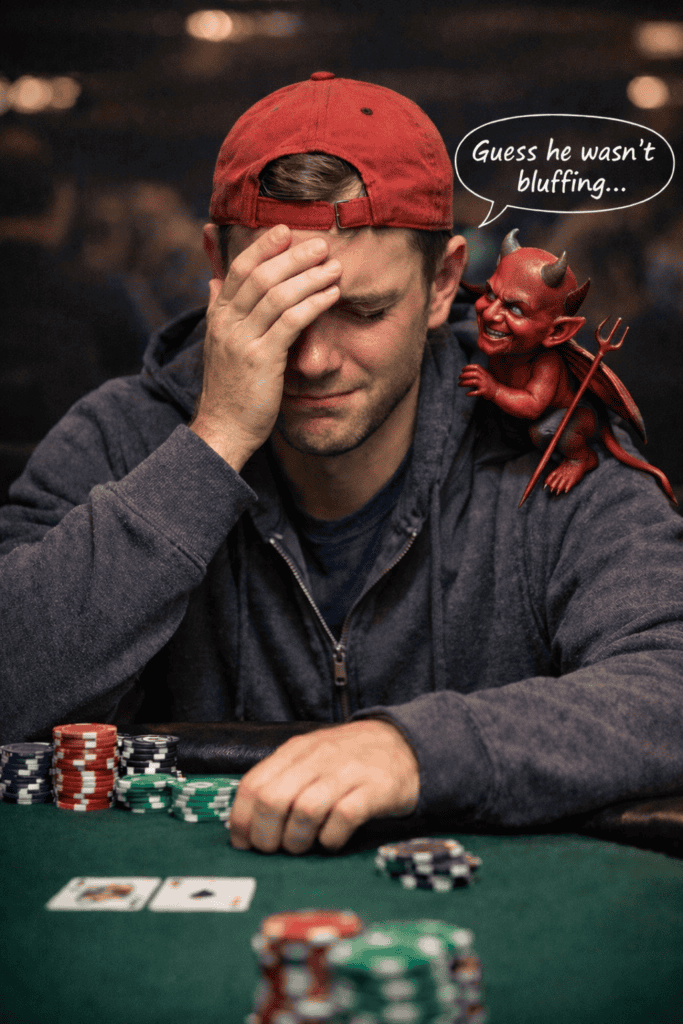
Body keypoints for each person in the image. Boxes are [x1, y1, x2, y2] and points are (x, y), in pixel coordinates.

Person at [2, 73, 683, 856]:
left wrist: (417, 748)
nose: (317, 360)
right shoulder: (118, 437)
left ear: (441, 284)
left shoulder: (555, 449)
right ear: (216, 269)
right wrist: (213, 440)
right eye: (277, 308)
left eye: (363, 312)